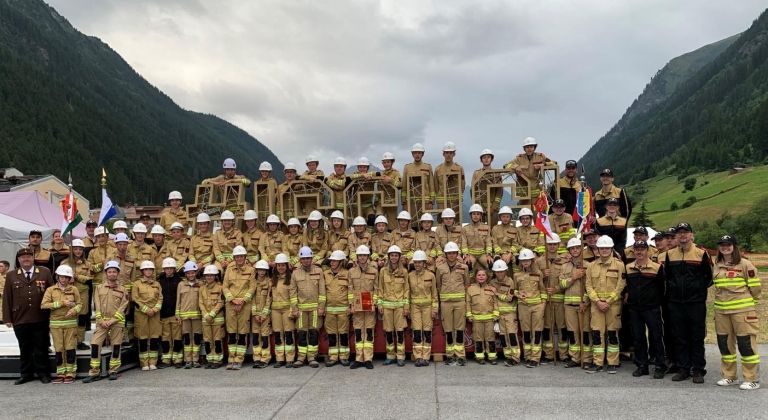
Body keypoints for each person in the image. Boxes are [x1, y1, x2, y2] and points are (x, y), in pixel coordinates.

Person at [661, 222, 712, 384]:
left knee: (696, 337)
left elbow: (709, 277)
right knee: (680, 336)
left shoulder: (701, 253)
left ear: (692, 235)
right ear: (676, 236)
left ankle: (697, 370)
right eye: (679, 233)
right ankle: (684, 368)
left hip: (695, 302)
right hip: (675, 302)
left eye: (685, 232)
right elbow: (667, 276)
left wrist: (697, 290)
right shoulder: (670, 254)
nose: (682, 235)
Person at [711, 234, 761, 390]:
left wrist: (750, 305)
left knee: (746, 345)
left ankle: (752, 379)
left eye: (728, 244)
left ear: (734, 246)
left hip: (743, 311)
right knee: (724, 345)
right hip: (721, 311)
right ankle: (729, 376)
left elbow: (755, 288)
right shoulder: (717, 264)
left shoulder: (745, 264)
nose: (725, 247)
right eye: (722, 245)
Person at [3, 247, 54, 384]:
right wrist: (7, 318)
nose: (26, 259)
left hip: (40, 316)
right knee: (24, 347)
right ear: (19, 260)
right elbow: (7, 297)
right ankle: (26, 374)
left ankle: (43, 373)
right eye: (22, 257)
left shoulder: (44, 272)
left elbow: (52, 292)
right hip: (20, 317)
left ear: (33, 258)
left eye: (28, 257)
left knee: (41, 347)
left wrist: (53, 314)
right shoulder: (11, 275)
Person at [625, 240, 666, 379]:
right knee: (638, 338)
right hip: (635, 309)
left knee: (656, 337)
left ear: (647, 251)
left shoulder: (657, 267)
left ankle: (660, 366)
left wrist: (656, 303)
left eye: (642, 249)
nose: (639, 251)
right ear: (633, 251)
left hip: (652, 308)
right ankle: (642, 365)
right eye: (637, 249)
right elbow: (627, 288)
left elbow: (662, 289)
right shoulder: (628, 267)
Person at [82, 260, 129, 383]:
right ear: (106, 273)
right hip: (101, 322)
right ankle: (94, 372)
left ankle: (113, 370)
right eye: (110, 272)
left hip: (117, 322)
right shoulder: (98, 288)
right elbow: (96, 304)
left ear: (118, 273)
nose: (112, 274)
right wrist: (101, 320)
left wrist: (113, 320)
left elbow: (123, 307)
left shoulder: (123, 289)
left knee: (116, 346)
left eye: (114, 271)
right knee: (95, 344)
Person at [585, 236, 626, 374]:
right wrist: (597, 301)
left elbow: (621, 285)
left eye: (607, 248)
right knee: (597, 334)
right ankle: (598, 362)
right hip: (596, 306)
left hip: (612, 305)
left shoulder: (619, 265)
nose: (604, 250)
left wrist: (608, 302)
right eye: (601, 248)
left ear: (611, 249)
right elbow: (588, 286)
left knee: (612, 333)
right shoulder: (591, 266)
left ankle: (613, 362)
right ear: (597, 249)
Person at [41, 265, 81, 384]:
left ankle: (71, 372)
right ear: (57, 277)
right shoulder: (51, 290)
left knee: (70, 347)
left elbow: (80, 304)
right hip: (56, 324)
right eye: (62, 277)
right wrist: (61, 303)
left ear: (70, 279)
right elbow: (44, 305)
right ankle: (60, 372)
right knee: (58, 348)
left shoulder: (74, 289)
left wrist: (74, 310)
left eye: (67, 277)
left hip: (71, 323)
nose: (64, 280)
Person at [559, 238, 592, 369]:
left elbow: (590, 286)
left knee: (585, 332)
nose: (575, 250)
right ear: (569, 251)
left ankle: (587, 358)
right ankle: (575, 357)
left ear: (581, 249)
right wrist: (573, 277)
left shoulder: (588, 266)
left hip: (583, 305)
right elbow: (561, 285)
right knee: (572, 333)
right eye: (572, 248)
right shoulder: (564, 266)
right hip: (569, 305)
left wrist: (585, 301)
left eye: (577, 248)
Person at [436, 241, 470, 366]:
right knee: (448, 329)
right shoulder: (440, 268)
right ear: (445, 254)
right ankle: (450, 355)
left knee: (460, 329)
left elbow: (467, 284)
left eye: (453, 253)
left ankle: (460, 355)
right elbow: (439, 285)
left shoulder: (464, 267)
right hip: (446, 303)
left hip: (460, 302)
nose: (451, 255)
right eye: (449, 253)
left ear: (457, 254)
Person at [536, 233, 568, 364]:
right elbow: (533, 280)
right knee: (547, 327)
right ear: (546, 245)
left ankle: (564, 354)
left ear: (559, 245)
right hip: (546, 300)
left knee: (562, 327)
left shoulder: (565, 260)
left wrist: (557, 288)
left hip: (560, 299)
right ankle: (548, 354)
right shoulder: (539, 261)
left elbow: (567, 280)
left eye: (555, 244)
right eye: (550, 244)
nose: (552, 246)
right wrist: (542, 276)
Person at [291, 246, 325, 368]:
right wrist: (294, 308)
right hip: (301, 309)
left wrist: (321, 307)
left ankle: (312, 357)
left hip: (315, 309)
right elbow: (293, 293)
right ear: (300, 260)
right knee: (301, 333)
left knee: (313, 333)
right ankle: (301, 357)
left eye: (308, 258)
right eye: (303, 259)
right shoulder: (295, 273)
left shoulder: (318, 271)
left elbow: (322, 291)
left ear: (312, 259)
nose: (306, 261)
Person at [223, 246, 256, 370]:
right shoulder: (229, 270)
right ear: (234, 258)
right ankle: (231, 359)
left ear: (245, 257)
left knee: (242, 333)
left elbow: (252, 287)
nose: (239, 258)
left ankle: (239, 359)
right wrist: (232, 300)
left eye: (241, 256)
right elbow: (225, 286)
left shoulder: (251, 270)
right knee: (231, 332)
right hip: (231, 304)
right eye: (237, 256)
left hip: (245, 305)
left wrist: (242, 301)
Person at [377, 245, 410, 366]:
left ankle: (401, 356)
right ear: (389, 257)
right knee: (389, 331)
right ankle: (390, 356)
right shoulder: (383, 271)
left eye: (396, 255)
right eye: (392, 255)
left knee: (400, 331)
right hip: (386, 307)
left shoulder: (404, 272)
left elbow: (407, 290)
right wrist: (379, 303)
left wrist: (406, 307)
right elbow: (380, 288)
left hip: (400, 307)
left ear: (399, 257)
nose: (394, 257)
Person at [515, 248, 546, 368]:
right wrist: (518, 294)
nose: (525, 262)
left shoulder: (538, 273)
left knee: (537, 332)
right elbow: (514, 290)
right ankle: (527, 356)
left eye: (527, 260)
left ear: (532, 260)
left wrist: (543, 304)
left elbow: (542, 290)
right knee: (526, 332)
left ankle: (535, 357)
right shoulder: (517, 275)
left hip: (537, 306)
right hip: (523, 306)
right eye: (523, 260)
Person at [349, 245, 377, 369]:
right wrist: (351, 305)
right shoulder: (351, 272)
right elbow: (350, 289)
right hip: (357, 305)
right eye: (360, 255)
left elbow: (377, 289)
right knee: (359, 331)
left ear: (368, 257)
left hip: (369, 304)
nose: (362, 258)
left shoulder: (374, 271)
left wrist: (374, 303)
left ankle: (368, 359)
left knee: (369, 331)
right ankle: (359, 358)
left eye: (364, 255)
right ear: (357, 257)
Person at [408, 250, 437, 367]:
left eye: (420, 262)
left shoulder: (431, 275)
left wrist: (434, 309)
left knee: (427, 332)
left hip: (427, 307)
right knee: (417, 332)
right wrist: (408, 308)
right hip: (415, 307)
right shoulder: (410, 276)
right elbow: (408, 294)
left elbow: (434, 293)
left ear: (424, 263)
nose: (418, 264)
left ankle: (426, 357)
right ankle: (418, 356)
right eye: (416, 262)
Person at [503, 137, 553, 205]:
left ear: (534, 147)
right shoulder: (519, 158)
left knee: (537, 214)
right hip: (524, 193)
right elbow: (506, 166)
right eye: (527, 147)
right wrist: (515, 167)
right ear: (524, 148)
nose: (529, 149)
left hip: (537, 193)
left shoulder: (540, 156)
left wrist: (543, 164)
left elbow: (554, 164)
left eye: (531, 147)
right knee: (525, 214)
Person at [132, 260, 163, 371]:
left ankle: (153, 362)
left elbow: (160, 298)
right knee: (143, 338)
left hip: (155, 314)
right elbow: (135, 299)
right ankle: (144, 363)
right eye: (146, 269)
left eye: (150, 269)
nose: (148, 271)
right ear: (142, 271)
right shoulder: (137, 284)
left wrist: (155, 309)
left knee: (154, 337)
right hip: (141, 314)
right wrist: (146, 309)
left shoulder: (157, 284)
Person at [62, 239, 92, 350]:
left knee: (82, 317)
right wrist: (68, 277)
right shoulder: (65, 263)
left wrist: (77, 276)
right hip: (68, 292)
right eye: (75, 249)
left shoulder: (87, 264)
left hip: (83, 293)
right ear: (71, 250)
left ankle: (80, 341)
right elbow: (59, 277)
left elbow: (90, 278)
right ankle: (69, 340)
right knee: (70, 316)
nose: (78, 251)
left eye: (80, 249)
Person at [323, 251, 351, 367]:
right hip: (329, 310)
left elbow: (351, 291)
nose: (332, 263)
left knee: (343, 333)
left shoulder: (347, 274)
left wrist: (350, 305)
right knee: (331, 334)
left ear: (341, 262)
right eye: (331, 261)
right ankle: (333, 356)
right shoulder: (325, 274)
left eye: (334, 261)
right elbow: (322, 291)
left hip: (343, 309)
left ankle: (344, 357)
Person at [466, 269, 499, 365]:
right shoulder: (470, 289)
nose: (481, 276)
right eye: (479, 275)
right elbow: (468, 303)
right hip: (476, 319)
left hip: (489, 319)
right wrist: (469, 314)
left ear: (487, 277)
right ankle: (479, 357)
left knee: (490, 338)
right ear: (475, 277)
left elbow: (495, 303)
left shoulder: (491, 288)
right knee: (478, 338)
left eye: (483, 275)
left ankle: (492, 357)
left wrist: (496, 314)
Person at [490, 260, 519, 366]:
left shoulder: (510, 282)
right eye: (497, 272)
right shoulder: (492, 282)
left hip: (510, 314)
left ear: (506, 271)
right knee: (503, 336)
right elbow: (492, 299)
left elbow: (509, 298)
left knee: (511, 335)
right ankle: (508, 356)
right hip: (499, 314)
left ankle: (515, 357)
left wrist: (496, 293)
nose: (500, 273)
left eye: (502, 271)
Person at [269, 254, 296, 368]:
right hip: (275, 311)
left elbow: (294, 295)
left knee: (289, 333)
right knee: (277, 334)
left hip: (287, 310)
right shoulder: (272, 280)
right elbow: (269, 297)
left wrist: (293, 309)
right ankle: (280, 358)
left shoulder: (291, 279)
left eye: (283, 265)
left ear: (287, 266)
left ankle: (290, 358)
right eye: (279, 265)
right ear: (276, 267)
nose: (281, 267)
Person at [176, 261, 203, 369]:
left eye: (192, 273)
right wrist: (177, 314)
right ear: (185, 274)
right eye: (188, 273)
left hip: (197, 316)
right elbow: (178, 300)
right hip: (185, 317)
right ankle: (188, 360)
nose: (190, 275)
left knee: (196, 338)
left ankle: (195, 360)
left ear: (196, 273)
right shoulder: (181, 284)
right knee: (187, 338)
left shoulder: (201, 284)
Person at [157, 257, 183, 368]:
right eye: (166, 268)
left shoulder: (179, 282)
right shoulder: (159, 282)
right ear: (164, 269)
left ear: (174, 269)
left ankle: (177, 359)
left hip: (175, 314)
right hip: (163, 314)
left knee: (177, 337)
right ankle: (166, 359)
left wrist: (179, 313)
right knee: (165, 338)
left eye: (170, 268)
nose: (168, 270)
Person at [199, 265, 225, 369]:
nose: (209, 277)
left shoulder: (220, 288)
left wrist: (212, 314)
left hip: (217, 318)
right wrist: (205, 314)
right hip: (206, 319)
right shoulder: (201, 289)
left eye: (211, 275)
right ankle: (210, 359)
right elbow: (200, 303)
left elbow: (221, 302)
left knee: (217, 340)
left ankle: (218, 360)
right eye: (207, 275)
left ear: (215, 276)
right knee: (207, 340)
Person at [402, 143, 435, 221]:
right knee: (412, 223)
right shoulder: (407, 168)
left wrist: (432, 201)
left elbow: (431, 185)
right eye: (415, 153)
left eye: (419, 153)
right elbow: (404, 186)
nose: (417, 155)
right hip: (411, 202)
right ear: (412, 154)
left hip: (426, 202)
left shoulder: (428, 167)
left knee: (425, 222)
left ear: (422, 154)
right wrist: (404, 202)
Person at [250, 260, 272, 368]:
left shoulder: (270, 282)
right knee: (255, 337)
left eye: (263, 270)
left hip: (265, 315)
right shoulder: (253, 282)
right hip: (255, 315)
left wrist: (263, 314)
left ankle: (265, 358)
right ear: (257, 270)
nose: (261, 272)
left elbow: (269, 299)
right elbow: (252, 299)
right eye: (259, 269)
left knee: (264, 337)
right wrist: (255, 314)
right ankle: (256, 358)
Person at [434, 142, 465, 215]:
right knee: (441, 223)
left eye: (451, 153)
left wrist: (458, 196)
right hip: (442, 203)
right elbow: (436, 186)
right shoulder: (438, 169)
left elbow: (462, 185)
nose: (448, 155)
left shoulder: (459, 168)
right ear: (443, 154)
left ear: (454, 154)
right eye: (446, 153)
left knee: (456, 223)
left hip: (455, 202)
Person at [471, 149, 502, 218]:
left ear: (492, 159)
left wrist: (494, 207)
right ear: (481, 160)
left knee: (493, 228)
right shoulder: (476, 173)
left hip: (493, 209)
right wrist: (477, 206)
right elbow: (473, 190)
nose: (486, 159)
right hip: (479, 208)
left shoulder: (497, 173)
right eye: (484, 157)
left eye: (488, 157)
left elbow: (499, 192)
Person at [462, 204, 493, 271]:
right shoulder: (465, 228)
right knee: (467, 266)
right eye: (474, 214)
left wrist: (488, 254)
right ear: (470, 215)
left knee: (491, 265)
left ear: (481, 215)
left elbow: (488, 242)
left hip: (482, 254)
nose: (476, 216)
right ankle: (470, 281)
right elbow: (464, 243)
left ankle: (489, 281)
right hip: (471, 254)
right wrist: (466, 255)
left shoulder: (486, 228)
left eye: (478, 214)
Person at [379, 152, 402, 225]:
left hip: (392, 202)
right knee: (379, 220)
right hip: (381, 201)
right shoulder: (380, 174)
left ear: (392, 162)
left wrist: (390, 180)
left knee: (392, 223)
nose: (386, 164)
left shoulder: (396, 173)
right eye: (384, 162)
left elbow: (400, 185)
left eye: (388, 162)